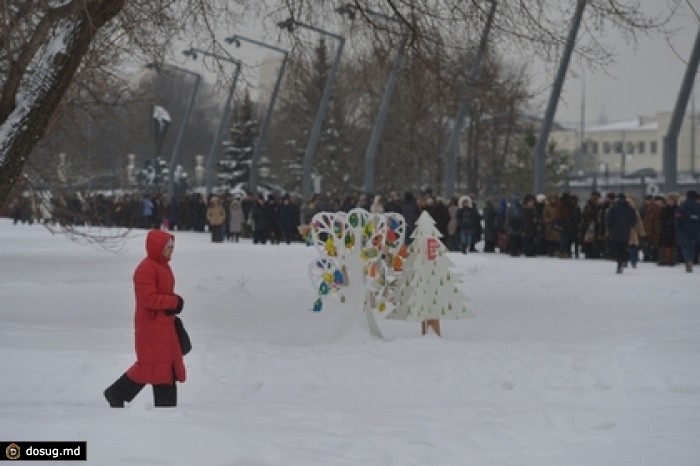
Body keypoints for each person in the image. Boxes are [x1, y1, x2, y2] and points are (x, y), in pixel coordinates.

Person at [104, 230, 186, 408]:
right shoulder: (146, 268)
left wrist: (173, 304)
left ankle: (166, 406)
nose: (172, 251)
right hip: (151, 326)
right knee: (150, 365)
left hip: (163, 324)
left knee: (164, 365)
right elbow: (147, 298)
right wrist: (173, 302)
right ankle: (116, 393)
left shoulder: (163, 266)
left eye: (173, 247)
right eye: (168, 247)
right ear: (158, 248)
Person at [606, 193, 637, 274]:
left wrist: (609, 228)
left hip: (614, 231)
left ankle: (620, 261)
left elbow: (609, 219)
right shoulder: (630, 208)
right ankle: (624, 260)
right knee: (623, 248)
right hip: (626, 231)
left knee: (615, 248)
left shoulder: (613, 208)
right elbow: (634, 220)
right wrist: (628, 226)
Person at [675, 190, 700, 272]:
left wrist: (678, 228)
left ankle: (687, 260)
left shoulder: (682, 206)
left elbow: (678, 218)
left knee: (685, 246)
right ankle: (691, 260)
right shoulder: (698, 206)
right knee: (692, 246)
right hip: (695, 229)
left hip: (684, 229)